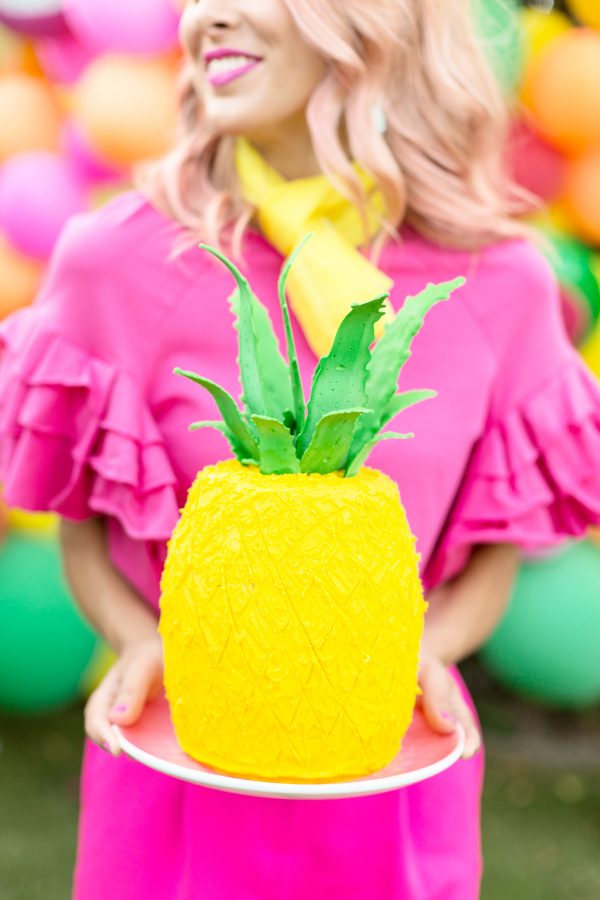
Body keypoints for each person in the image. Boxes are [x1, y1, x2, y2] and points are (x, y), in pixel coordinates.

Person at [1, 1, 600, 897]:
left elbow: (497, 534)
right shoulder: (115, 261)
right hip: (180, 754)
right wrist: (136, 641)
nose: (208, 17)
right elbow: (84, 514)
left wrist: (432, 652)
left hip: (394, 759)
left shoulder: (502, 283)